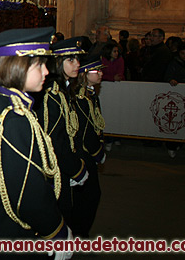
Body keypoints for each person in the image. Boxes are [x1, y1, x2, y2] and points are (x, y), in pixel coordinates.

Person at [0, 27, 73, 259]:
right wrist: (55, 231)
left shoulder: (10, 103)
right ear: (17, 67)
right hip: (10, 230)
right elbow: (27, 191)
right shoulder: (13, 118)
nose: (46, 71)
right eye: (39, 64)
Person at [35, 37, 89, 226]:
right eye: (70, 60)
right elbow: (54, 140)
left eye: (77, 60)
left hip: (64, 165)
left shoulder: (64, 90)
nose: (77, 65)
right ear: (58, 62)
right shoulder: (53, 94)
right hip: (56, 169)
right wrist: (75, 169)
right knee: (59, 214)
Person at [71, 55, 107, 238]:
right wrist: (97, 151)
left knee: (84, 196)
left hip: (86, 154)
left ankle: (78, 232)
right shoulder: (82, 97)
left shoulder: (90, 94)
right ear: (85, 73)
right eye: (96, 70)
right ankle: (78, 233)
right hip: (83, 155)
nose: (100, 73)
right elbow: (84, 131)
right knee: (88, 196)